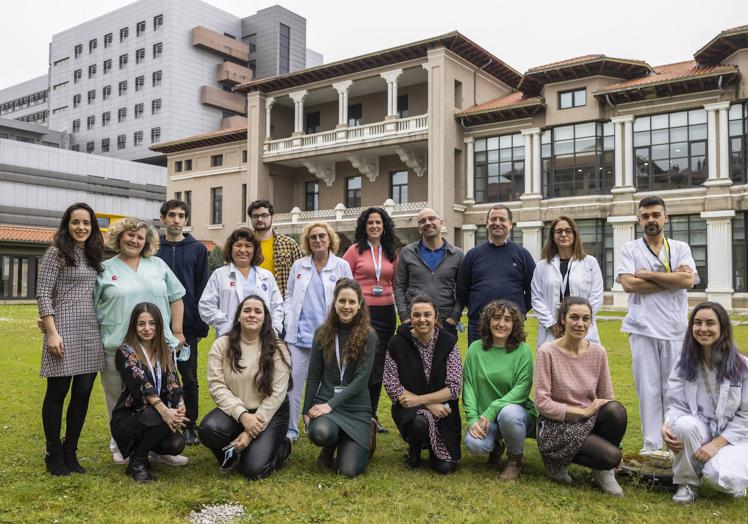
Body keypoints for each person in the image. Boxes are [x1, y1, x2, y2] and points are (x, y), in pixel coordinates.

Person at [94, 217, 187, 466]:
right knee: (117, 397)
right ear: (119, 236)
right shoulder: (104, 269)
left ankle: (158, 447)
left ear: (147, 242)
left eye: (140, 237)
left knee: (162, 393)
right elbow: (90, 307)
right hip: (117, 345)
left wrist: (177, 332)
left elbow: (176, 298)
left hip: (158, 346)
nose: (134, 240)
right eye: (129, 235)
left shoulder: (158, 265)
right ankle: (120, 445)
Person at [617, 196, 698, 454]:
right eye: (645, 216)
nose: (651, 220)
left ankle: (672, 441)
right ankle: (651, 445)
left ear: (666, 217)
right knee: (648, 388)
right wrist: (672, 277)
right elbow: (629, 284)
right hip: (642, 328)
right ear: (639, 220)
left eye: (655, 214)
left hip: (675, 329)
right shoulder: (630, 249)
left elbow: (689, 281)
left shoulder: (680, 247)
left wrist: (649, 275)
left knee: (673, 388)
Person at [37, 203, 105, 476]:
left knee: (83, 394)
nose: (81, 227)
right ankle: (53, 452)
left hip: (91, 330)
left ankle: (71, 451)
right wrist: (51, 331)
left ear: (92, 226)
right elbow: (43, 293)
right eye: (76, 222)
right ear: (66, 225)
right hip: (62, 330)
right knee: (57, 393)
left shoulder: (93, 254)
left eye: (86, 223)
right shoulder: (56, 253)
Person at [534, 297, 627, 496]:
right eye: (574, 317)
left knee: (616, 410)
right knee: (612, 456)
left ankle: (603, 472)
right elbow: (542, 403)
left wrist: (589, 412)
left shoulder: (598, 352)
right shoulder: (547, 352)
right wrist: (582, 411)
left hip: (588, 418)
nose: (580, 323)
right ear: (562, 320)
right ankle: (556, 462)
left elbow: (606, 397)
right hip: (556, 425)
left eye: (586, 318)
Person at [661, 302, 748, 504]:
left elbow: (746, 415)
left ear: (722, 328)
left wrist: (717, 444)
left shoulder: (742, 366)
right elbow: (676, 405)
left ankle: (728, 475)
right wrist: (667, 424)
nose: (703, 329)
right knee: (683, 425)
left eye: (710, 323)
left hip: (734, 436)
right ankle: (687, 483)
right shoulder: (684, 363)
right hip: (700, 428)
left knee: (721, 476)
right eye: (697, 323)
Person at [199, 296, 292, 480]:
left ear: (265, 318)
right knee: (208, 429)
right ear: (238, 316)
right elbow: (217, 386)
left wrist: (250, 432)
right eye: (247, 310)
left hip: (270, 413)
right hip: (237, 410)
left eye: (258, 311)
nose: (252, 315)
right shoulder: (221, 345)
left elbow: (277, 394)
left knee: (253, 471)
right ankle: (230, 457)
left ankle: (282, 447)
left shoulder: (278, 348)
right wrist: (242, 415)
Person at [283, 222, 352, 444]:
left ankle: (333, 423)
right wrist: (287, 316)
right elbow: (289, 295)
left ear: (330, 239)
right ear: (307, 242)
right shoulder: (299, 266)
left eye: (322, 236)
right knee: (293, 385)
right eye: (313, 237)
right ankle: (292, 430)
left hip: (331, 337)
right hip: (300, 337)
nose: (318, 240)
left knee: (334, 384)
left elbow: (352, 297)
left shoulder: (341, 266)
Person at [302, 278, 377, 478]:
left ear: (360, 305)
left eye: (352, 302)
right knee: (320, 433)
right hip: (326, 400)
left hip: (355, 406)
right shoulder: (321, 333)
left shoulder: (369, 335)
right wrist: (306, 410)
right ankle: (330, 446)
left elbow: (361, 381)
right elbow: (314, 375)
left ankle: (366, 432)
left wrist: (330, 405)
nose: (346, 306)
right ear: (334, 302)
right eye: (342, 301)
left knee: (348, 471)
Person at [384, 295, 462, 474]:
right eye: (417, 315)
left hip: (443, 411)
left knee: (444, 468)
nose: (422, 319)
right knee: (419, 423)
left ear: (435, 317)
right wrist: (427, 404)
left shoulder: (449, 342)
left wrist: (420, 400)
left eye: (427, 314)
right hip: (411, 410)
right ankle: (415, 447)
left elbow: (454, 387)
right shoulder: (396, 343)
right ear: (410, 318)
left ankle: (437, 450)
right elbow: (391, 384)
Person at [111, 303, 189, 482]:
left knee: (177, 444)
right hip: (129, 417)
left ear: (159, 325)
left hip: (157, 415)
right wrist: (165, 411)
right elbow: (143, 386)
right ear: (134, 326)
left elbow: (173, 382)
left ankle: (146, 451)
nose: (147, 328)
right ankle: (137, 463)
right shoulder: (125, 351)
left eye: (152, 323)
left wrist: (179, 407)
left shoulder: (165, 350)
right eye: (141, 324)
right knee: (157, 416)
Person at [463, 300, 537, 481]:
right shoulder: (475, 348)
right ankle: (496, 446)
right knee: (474, 445)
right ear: (488, 321)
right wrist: (472, 418)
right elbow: (469, 386)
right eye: (496, 318)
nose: (501, 324)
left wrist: (491, 410)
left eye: (507, 319)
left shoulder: (523, 351)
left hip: (517, 415)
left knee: (508, 413)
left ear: (515, 324)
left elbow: (521, 390)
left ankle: (514, 461)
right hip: (486, 419)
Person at [156, 199, 209, 446]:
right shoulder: (154, 248)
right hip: (155, 323)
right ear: (163, 218)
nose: (176, 220)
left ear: (186, 220)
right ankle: (163, 422)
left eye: (181, 216)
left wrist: (199, 324)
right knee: (159, 375)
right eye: (172, 215)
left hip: (187, 327)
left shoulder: (197, 249)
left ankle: (189, 425)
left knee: (189, 378)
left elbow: (201, 289)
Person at [343, 207, 399, 433]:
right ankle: (357, 412)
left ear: (384, 226)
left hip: (386, 314)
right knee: (361, 361)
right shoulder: (355, 250)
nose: (374, 226)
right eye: (370, 223)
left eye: (378, 222)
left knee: (379, 364)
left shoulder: (391, 252)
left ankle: (373, 415)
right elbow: (344, 281)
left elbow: (393, 281)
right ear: (363, 227)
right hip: (361, 314)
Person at [456, 205, 535, 344]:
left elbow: (533, 289)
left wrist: (518, 311)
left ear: (510, 224)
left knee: (512, 363)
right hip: (479, 324)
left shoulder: (522, 255)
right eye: (493, 219)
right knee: (479, 364)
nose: (497, 223)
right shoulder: (473, 255)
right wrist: (477, 306)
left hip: (512, 324)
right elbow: (462, 288)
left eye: (502, 219)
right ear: (487, 224)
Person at [531, 215, 604, 348]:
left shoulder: (590, 263)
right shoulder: (542, 266)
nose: (563, 234)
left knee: (583, 365)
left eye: (568, 231)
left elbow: (596, 297)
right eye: (559, 231)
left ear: (575, 234)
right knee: (552, 365)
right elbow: (536, 298)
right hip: (551, 331)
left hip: (582, 329)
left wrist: (579, 321)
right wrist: (553, 325)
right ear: (553, 237)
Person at [199, 227, 283, 337]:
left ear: (255, 250)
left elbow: (277, 306)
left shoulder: (266, 276)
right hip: (229, 336)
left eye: (248, 246)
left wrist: (273, 329)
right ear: (231, 248)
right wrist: (226, 325)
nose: (243, 250)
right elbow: (206, 305)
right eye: (238, 245)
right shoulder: (220, 275)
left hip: (262, 338)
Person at [394, 207, 464, 337]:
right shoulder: (408, 252)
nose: (427, 222)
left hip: (445, 320)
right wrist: (404, 316)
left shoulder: (457, 255)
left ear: (441, 223)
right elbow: (399, 287)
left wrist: (454, 317)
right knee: (413, 357)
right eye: (422, 221)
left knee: (446, 357)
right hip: (416, 320)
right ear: (419, 228)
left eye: (432, 219)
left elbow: (463, 290)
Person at [247, 199, 302, 297]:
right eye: (255, 216)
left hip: (281, 303)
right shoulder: (244, 246)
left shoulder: (289, 244)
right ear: (251, 219)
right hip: (251, 301)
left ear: (272, 217)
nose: (260, 219)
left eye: (264, 215)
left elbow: (300, 277)